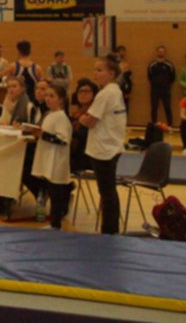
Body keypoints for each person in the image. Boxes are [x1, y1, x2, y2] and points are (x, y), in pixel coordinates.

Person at [81, 56, 128, 235]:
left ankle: (109, 229)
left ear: (111, 73)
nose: (95, 73)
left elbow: (90, 121)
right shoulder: (114, 91)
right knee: (108, 191)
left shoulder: (106, 93)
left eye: (100, 70)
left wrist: (82, 118)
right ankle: (110, 228)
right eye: (95, 70)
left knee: (107, 192)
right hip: (111, 147)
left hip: (104, 149)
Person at [26, 81, 73, 229]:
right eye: (46, 95)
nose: (47, 99)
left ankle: (56, 223)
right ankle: (54, 223)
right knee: (52, 190)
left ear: (61, 99)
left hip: (56, 160)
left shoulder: (61, 117)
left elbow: (63, 139)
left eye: (52, 96)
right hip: (48, 157)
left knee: (56, 193)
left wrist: (43, 134)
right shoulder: (49, 114)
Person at [68, 78, 97, 171]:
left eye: (87, 91)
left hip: (88, 156)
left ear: (94, 94)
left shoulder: (95, 113)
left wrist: (69, 132)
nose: (83, 94)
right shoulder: (76, 113)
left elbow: (90, 134)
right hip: (75, 155)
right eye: (80, 91)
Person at [147, 46, 176, 126]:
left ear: (165, 53)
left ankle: (170, 126)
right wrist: (155, 84)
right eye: (159, 51)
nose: (161, 53)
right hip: (155, 90)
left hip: (166, 90)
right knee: (154, 107)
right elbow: (149, 76)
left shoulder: (169, 65)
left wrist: (166, 84)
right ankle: (154, 125)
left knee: (167, 107)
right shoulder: (152, 65)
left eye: (162, 51)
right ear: (157, 52)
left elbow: (173, 77)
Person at [114, 44, 133, 109]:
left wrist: (128, 90)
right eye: (122, 51)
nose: (124, 53)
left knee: (125, 106)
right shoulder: (114, 63)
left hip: (125, 87)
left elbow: (128, 77)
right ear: (117, 53)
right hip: (117, 86)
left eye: (124, 51)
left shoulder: (125, 63)